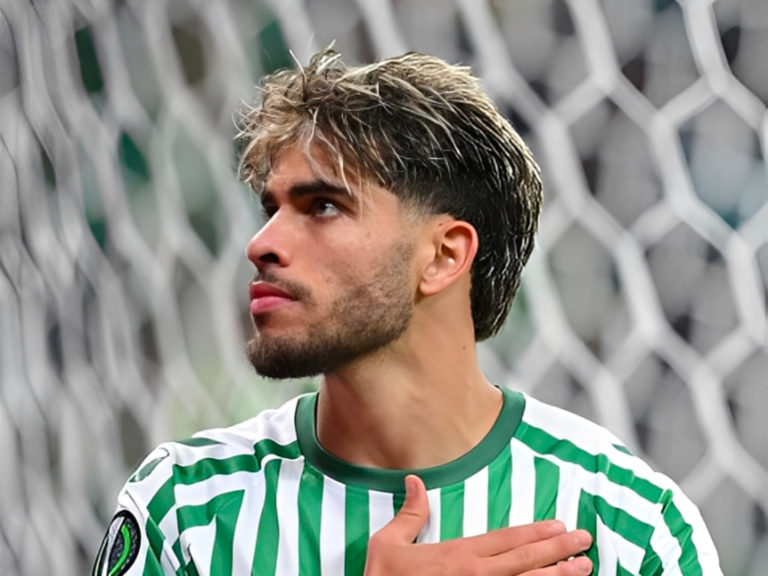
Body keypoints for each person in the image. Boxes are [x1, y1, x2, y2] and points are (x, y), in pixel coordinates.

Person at [93, 49, 722, 576]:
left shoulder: (628, 526)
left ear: (444, 256)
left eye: (323, 206)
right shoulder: (184, 508)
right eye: (271, 209)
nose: (261, 244)